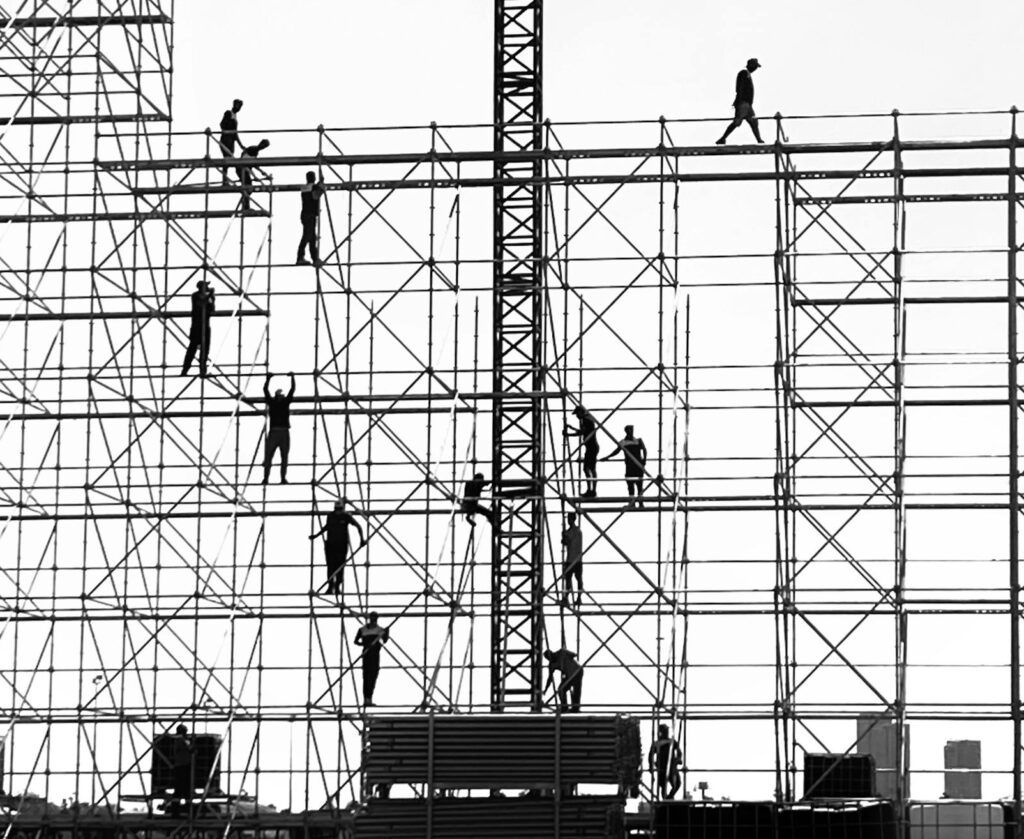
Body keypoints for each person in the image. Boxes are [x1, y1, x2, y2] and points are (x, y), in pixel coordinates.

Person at [309, 499, 364, 595]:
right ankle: (330, 587)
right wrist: (316, 536)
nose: (338, 511)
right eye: (336, 509)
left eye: (339, 509)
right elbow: (326, 527)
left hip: (341, 546)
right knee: (330, 566)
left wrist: (362, 540)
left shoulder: (346, 516)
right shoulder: (330, 516)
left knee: (340, 566)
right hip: (331, 545)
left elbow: (358, 526)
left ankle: (337, 587)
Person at [716, 58, 764, 145]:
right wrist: (739, 101)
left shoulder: (747, 74)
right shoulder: (744, 73)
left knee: (754, 122)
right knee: (737, 122)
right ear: (751, 66)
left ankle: (759, 139)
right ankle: (723, 138)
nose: (756, 69)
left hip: (747, 104)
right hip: (743, 103)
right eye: (755, 67)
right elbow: (740, 88)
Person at [602, 425, 648, 507]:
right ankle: (632, 502)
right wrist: (607, 457)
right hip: (630, 466)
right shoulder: (623, 442)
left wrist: (644, 460)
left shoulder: (638, 440)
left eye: (632, 430)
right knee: (630, 484)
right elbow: (616, 451)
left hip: (638, 465)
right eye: (629, 430)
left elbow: (644, 449)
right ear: (626, 431)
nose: (631, 431)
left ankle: (641, 502)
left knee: (639, 485)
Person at [262, 372, 295, 485]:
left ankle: (276, 478)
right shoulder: (277, 403)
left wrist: (268, 379)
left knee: (276, 457)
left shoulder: (277, 403)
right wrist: (292, 378)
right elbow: (265, 390)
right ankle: (270, 478)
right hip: (280, 432)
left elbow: (292, 390)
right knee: (276, 457)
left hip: (278, 432)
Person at [181, 280, 215, 377]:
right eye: (206, 286)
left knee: (205, 350)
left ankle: (202, 371)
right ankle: (185, 370)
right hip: (197, 326)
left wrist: (211, 297)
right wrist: (210, 295)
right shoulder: (195, 295)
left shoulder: (209, 297)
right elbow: (201, 304)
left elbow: (212, 309)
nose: (208, 287)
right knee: (192, 350)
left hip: (205, 326)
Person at [354, 612, 390, 706]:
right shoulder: (362, 630)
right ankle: (366, 699)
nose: (374, 620)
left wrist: (387, 632)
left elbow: (385, 640)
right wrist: (365, 645)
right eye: (372, 618)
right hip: (367, 654)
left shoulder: (379, 630)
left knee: (373, 675)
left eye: (375, 618)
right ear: (370, 618)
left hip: (375, 654)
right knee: (366, 676)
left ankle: (369, 698)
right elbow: (356, 641)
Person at [564, 405, 599, 497]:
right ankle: (591, 490)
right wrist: (571, 429)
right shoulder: (587, 419)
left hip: (591, 447)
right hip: (591, 446)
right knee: (590, 469)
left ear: (581, 412)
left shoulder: (586, 419)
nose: (577, 416)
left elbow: (582, 432)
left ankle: (591, 491)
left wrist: (569, 434)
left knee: (588, 469)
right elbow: (583, 431)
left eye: (577, 414)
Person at [297, 171, 325, 266]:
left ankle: (315, 258)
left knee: (312, 238)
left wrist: (320, 185)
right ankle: (300, 257)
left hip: (305, 214)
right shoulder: (314, 187)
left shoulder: (304, 188)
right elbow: (315, 196)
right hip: (310, 215)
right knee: (307, 236)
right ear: (314, 178)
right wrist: (321, 189)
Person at [544, 648, 583, 712]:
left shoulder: (561, 652)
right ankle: (564, 707)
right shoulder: (552, 664)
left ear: (552, 653)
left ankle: (575, 708)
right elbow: (550, 678)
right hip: (569, 675)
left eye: (550, 657)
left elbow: (574, 654)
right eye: (548, 659)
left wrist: (566, 656)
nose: (551, 659)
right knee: (561, 689)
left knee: (576, 690)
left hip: (576, 671)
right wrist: (545, 689)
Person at [649, 723, 682, 799]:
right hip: (662, 767)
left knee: (677, 784)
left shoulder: (672, 742)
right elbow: (650, 756)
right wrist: (651, 766)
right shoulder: (657, 744)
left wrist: (678, 759)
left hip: (672, 767)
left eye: (667, 731)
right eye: (665, 731)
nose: (666, 733)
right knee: (663, 786)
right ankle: (665, 800)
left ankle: (669, 797)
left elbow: (679, 752)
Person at [237, 138, 271, 210]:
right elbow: (245, 163)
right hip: (242, 170)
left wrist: (262, 172)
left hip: (243, 170)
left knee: (248, 187)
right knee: (248, 187)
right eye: (264, 146)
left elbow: (254, 164)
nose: (263, 148)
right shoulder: (252, 149)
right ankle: (245, 207)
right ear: (261, 143)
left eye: (265, 147)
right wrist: (254, 176)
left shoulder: (255, 151)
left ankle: (245, 206)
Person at [218, 99, 243, 185]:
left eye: (240, 106)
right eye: (237, 105)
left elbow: (235, 133)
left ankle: (225, 180)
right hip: (226, 140)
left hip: (231, 142)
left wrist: (241, 145)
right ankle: (225, 181)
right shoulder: (228, 113)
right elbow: (222, 125)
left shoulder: (235, 117)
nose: (238, 108)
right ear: (233, 105)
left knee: (228, 161)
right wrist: (227, 129)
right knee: (227, 160)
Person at [561, 512, 583, 607]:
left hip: (574, 559)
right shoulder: (576, 531)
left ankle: (576, 598)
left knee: (575, 579)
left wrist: (564, 536)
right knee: (570, 580)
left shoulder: (576, 531)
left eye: (569, 519)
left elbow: (567, 541)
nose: (568, 521)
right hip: (573, 559)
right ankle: (568, 598)